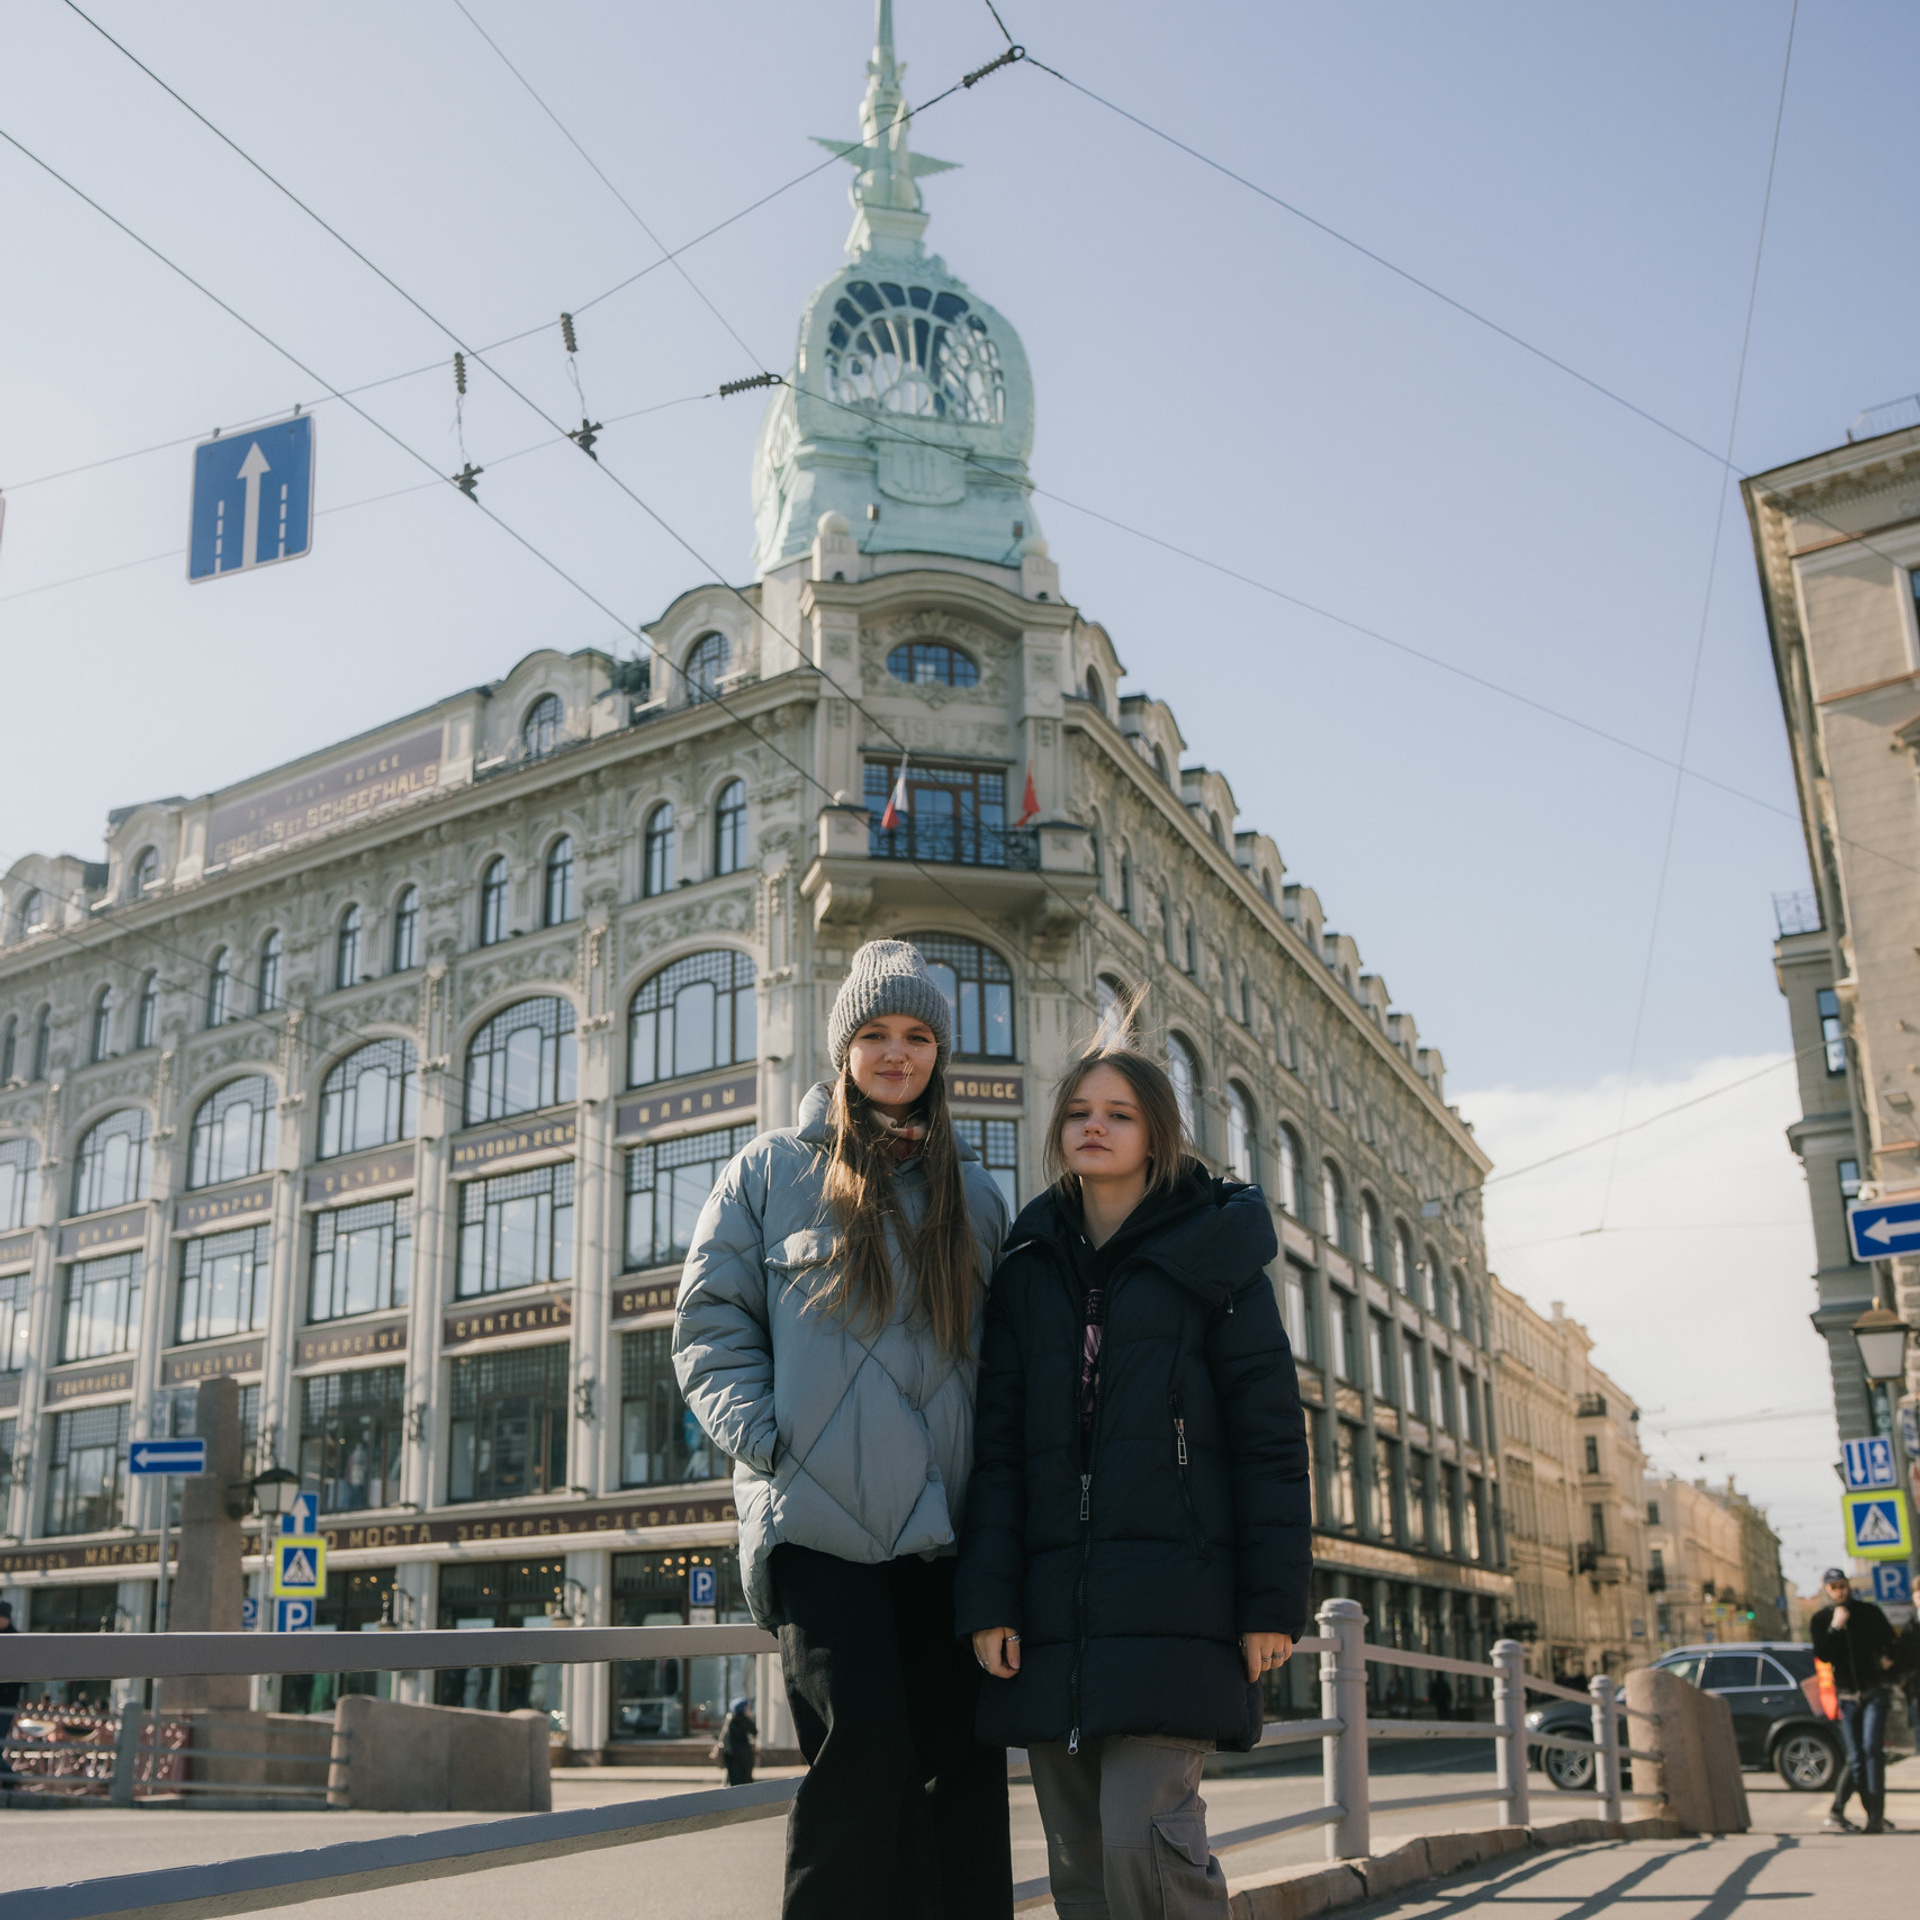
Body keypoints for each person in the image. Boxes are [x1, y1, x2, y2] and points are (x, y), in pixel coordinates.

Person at [675, 939, 1012, 1920]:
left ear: (940, 1052)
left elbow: (1005, 1367)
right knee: (861, 1760)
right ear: (844, 1050)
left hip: (944, 1539)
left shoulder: (978, 1196)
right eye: (875, 1033)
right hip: (818, 1527)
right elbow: (707, 1324)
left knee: (961, 1775)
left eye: (916, 1034)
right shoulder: (769, 1171)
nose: (896, 1052)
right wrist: (771, 1442)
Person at [957, 1045, 1311, 1919]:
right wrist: (988, 1600)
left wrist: (1271, 1602)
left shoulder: (1219, 1253)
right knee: (1078, 1865)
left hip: (1177, 1597)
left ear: (1156, 1135)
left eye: (1118, 1113)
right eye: (1079, 1111)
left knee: (1145, 1843)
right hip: (1049, 1610)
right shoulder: (1029, 1262)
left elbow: (1270, 1439)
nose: (1095, 1126)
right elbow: (997, 1450)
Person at [1812, 1567, 1897, 1833]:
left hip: (1873, 1691)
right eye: (1833, 1587)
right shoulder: (1821, 1619)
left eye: (1842, 1585)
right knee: (1857, 1758)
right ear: (1826, 1590)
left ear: (1848, 1585)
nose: (1839, 1591)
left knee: (1872, 1750)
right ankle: (1869, 1812)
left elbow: (1890, 1641)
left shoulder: (1867, 1612)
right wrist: (1836, 1627)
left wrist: (1887, 1658)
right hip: (1847, 1696)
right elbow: (1823, 1654)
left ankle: (1874, 1817)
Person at [0, 1600, 20, 1785]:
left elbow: (21, 1673)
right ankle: (8, 1777)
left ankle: (9, 1777)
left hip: (5, 1701)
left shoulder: (16, 1638)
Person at [719, 1694, 757, 1786]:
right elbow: (754, 1731)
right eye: (747, 1707)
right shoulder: (743, 1720)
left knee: (734, 1779)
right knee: (744, 1779)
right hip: (743, 1755)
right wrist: (749, 1718)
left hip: (731, 1754)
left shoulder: (730, 1719)